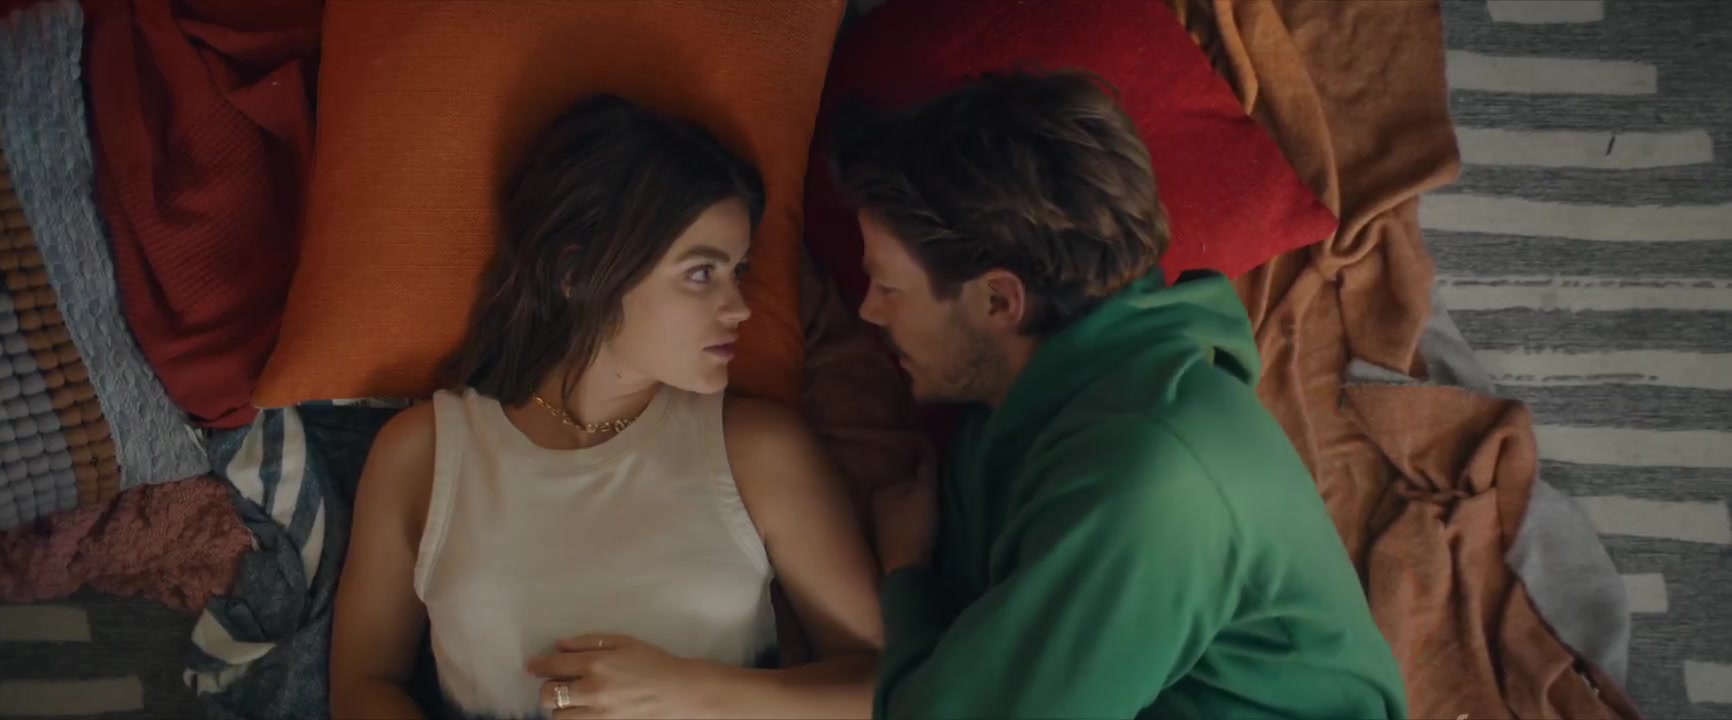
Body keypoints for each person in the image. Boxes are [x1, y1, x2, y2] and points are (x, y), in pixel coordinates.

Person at [835, 70, 1409, 719]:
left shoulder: (1147, 477)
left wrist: (906, 579)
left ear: (998, 301)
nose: (869, 311)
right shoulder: (1018, 404)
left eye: (888, 288)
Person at [330, 94, 883, 720]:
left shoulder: (757, 451)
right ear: (575, 271)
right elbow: (363, 684)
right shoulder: (423, 453)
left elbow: (887, 687)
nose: (739, 308)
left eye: (739, 271)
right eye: (702, 274)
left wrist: (692, 692)